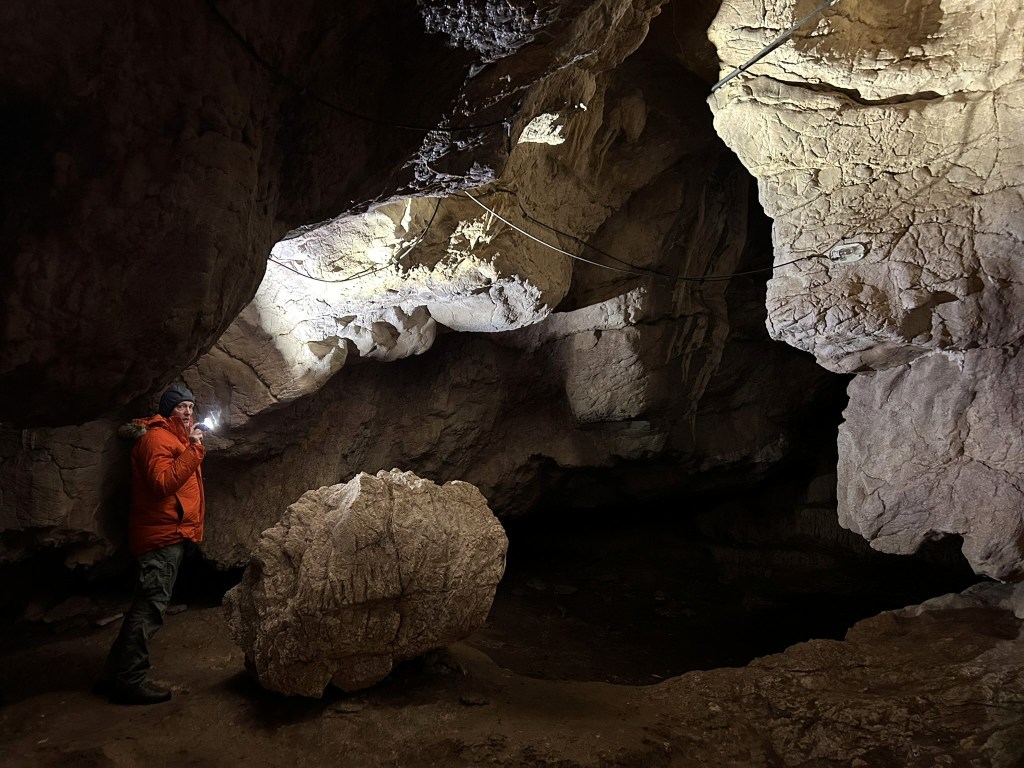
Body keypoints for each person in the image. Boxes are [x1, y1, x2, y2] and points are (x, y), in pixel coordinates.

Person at [96, 383, 207, 705]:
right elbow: (162, 483)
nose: (187, 412)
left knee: (142, 610)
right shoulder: (156, 438)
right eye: (181, 407)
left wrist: (190, 444)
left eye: (190, 406)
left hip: (169, 532)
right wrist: (195, 450)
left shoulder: (175, 438)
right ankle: (130, 681)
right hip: (161, 536)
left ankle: (112, 676)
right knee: (149, 611)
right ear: (167, 410)